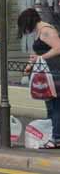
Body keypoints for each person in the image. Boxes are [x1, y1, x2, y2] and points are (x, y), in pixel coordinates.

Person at [18, 8, 60, 148]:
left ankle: (56, 138)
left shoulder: (46, 30)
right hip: (47, 74)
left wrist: (39, 58)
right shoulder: (39, 32)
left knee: (56, 107)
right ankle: (52, 136)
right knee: (51, 107)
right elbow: (38, 53)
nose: (25, 30)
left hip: (55, 73)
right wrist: (30, 65)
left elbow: (58, 48)